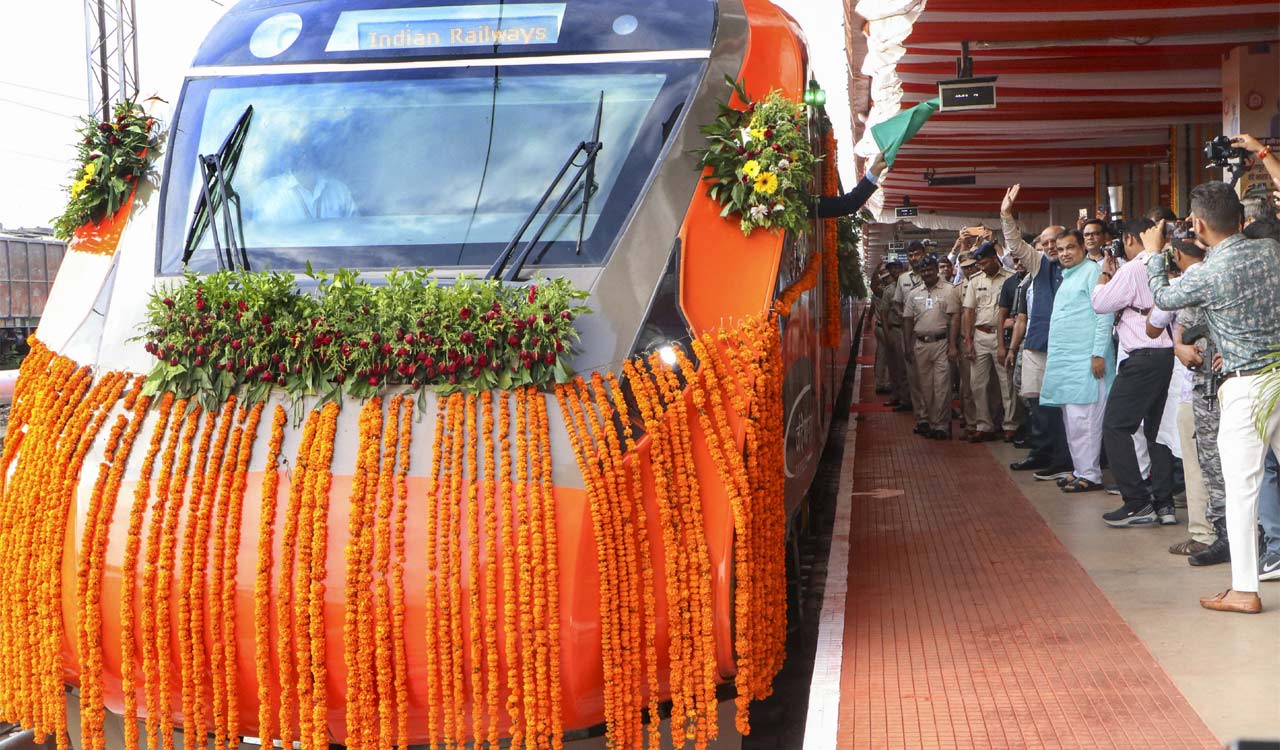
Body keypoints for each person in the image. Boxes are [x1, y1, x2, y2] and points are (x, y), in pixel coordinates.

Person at [1146, 181, 1280, 614]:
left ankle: (1244, 589)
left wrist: (1153, 254)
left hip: (1246, 386)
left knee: (1242, 490)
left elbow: (1164, 298)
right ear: (1240, 219)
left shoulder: (1207, 273)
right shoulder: (1272, 252)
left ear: (1198, 224)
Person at [1091, 217, 1178, 527]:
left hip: (1142, 356)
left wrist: (1104, 271)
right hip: (1168, 355)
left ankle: (1137, 502)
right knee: (1157, 431)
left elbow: (1100, 303)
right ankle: (1164, 503)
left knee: (1116, 426)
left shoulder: (1132, 269)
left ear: (1130, 239)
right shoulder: (1169, 261)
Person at [1147, 238, 1226, 560]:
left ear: (1176, 255)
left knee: (1198, 464)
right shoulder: (1230, 277)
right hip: (1239, 384)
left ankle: (1204, 534)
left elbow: (1154, 325)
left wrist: (1178, 341)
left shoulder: (1184, 283)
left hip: (1198, 388)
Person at [1000, 189, 1073, 478]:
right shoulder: (1039, 264)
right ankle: (1040, 452)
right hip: (1036, 344)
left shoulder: (1079, 266)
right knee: (1036, 402)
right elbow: (1016, 245)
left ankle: (1061, 457)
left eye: (1056, 241)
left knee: (1061, 406)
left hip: (1066, 348)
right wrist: (1006, 215)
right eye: (1045, 243)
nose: (1051, 246)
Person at [1040, 229, 1115, 492]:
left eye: (1070, 247)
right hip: (1068, 363)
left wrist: (1097, 354)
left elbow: (1104, 314)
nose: (1064, 254)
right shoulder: (1068, 275)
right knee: (1072, 420)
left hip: (1087, 363)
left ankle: (1091, 475)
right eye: (1060, 250)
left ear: (1083, 247)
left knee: (1086, 422)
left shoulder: (1093, 271)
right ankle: (1080, 469)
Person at [961, 242, 1017, 442]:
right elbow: (968, 311)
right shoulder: (975, 281)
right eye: (980, 264)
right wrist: (968, 341)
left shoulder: (1011, 278)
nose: (981, 267)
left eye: (984, 263)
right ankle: (984, 425)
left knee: (1006, 382)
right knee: (978, 384)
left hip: (1003, 337)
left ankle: (1010, 425)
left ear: (995, 259)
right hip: (981, 337)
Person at [903, 254, 960, 439]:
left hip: (942, 343)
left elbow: (953, 319)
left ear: (936, 269)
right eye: (923, 270)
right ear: (920, 272)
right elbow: (908, 321)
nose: (927, 273)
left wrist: (952, 346)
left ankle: (941, 426)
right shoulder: (914, 293)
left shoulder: (949, 290)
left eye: (930, 269)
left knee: (942, 386)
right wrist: (907, 345)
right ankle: (928, 421)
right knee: (925, 386)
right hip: (921, 345)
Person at [253, 142, 357, 222]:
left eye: (307, 151)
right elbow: (263, 241)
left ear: (316, 155)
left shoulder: (339, 190)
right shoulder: (269, 192)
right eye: (297, 153)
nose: (304, 159)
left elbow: (356, 231)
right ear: (288, 156)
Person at [894, 242, 929, 434]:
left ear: (924, 254)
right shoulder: (903, 279)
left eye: (917, 254)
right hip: (910, 333)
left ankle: (936, 416)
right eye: (910, 255)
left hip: (931, 332)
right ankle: (922, 418)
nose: (914, 258)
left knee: (935, 379)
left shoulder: (933, 275)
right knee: (915, 378)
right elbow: (897, 303)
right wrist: (905, 315)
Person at [879, 261, 913, 412]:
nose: (894, 271)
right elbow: (884, 314)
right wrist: (888, 336)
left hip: (912, 330)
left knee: (909, 367)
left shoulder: (912, 285)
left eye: (897, 268)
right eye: (891, 269)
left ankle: (908, 398)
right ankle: (899, 397)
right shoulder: (889, 291)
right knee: (897, 367)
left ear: (903, 269)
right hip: (897, 330)